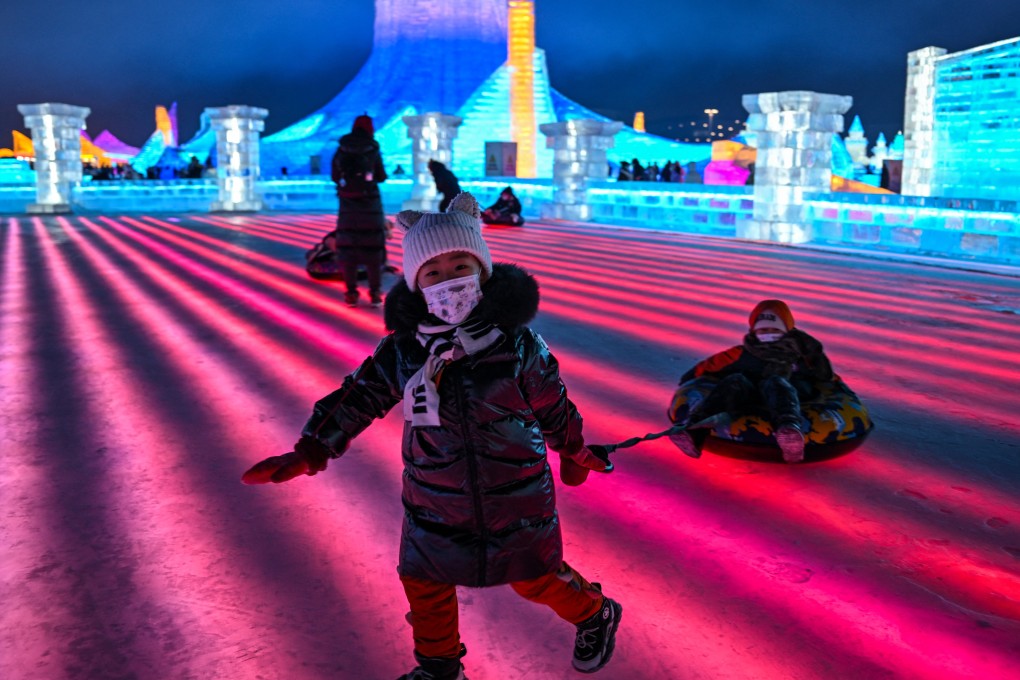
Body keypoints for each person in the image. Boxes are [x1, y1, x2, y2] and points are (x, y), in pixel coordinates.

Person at [242, 193, 622, 679]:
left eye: (461, 266)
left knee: (534, 578)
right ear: (416, 284)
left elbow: (552, 403)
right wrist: (313, 446)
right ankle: (439, 668)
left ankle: (595, 612)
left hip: (516, 492)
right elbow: (359, 396)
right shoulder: (405, 349)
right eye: (434, 273)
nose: (449, 282)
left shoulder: (518, 346)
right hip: (433, 493)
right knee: (425, 581)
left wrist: (573, 448)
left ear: (482, 272)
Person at [670, 299, 834, 463]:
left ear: (786, 330)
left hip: (790, 395)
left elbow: (824, 376)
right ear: (754, 330)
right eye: (763, 330)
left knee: (776, 382)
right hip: (751, 396)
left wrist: (814, 353)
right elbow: (712, 365)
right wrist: (688, 381)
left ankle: (789, 431)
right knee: (735, 380)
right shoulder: (743, 353)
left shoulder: (801, 352)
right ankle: (695, 429)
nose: (768, 333)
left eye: (774, 329)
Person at [332, 114, 389, 307]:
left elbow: (334, 175)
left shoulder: (342, 148)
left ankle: (350, 293)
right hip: (370, 205)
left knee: (348, 249)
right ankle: (374, 293)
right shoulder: (373, 149)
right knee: (373, 249)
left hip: (348, 206)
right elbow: (381, 176)